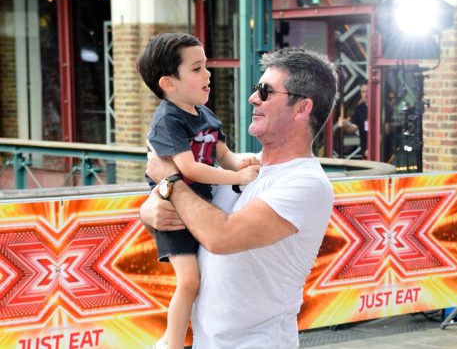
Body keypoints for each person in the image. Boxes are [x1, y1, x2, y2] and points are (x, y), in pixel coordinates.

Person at [140, 47, 340, 348]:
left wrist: (170, 181)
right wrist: (150, 210)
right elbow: (186, 214)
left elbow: (221, 236)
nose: (253, 98)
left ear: (303, 108)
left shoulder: (306, 184)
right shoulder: (241, 167)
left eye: (266, 91)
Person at [136, 32, 259, 349]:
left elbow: (223, 155)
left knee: (206, 280)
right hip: (175, 212)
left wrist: (243, 164)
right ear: (169, 83)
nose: (208, 74)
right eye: (196, 68)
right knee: (189, 281)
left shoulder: (205, 114)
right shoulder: (168, 119)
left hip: (202, 209)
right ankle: (171, 343)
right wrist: (239, 178)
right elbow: (188, 169)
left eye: (205, 66)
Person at [338, 83, 368, 159]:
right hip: (365, 154)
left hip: (383, 154)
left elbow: (386, 130)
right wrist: (346, 124)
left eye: (367, 91)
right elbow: (354, 128)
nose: (365, 94)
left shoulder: (383, 107)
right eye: (363, 92)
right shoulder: (359, 109)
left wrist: (372, 148)